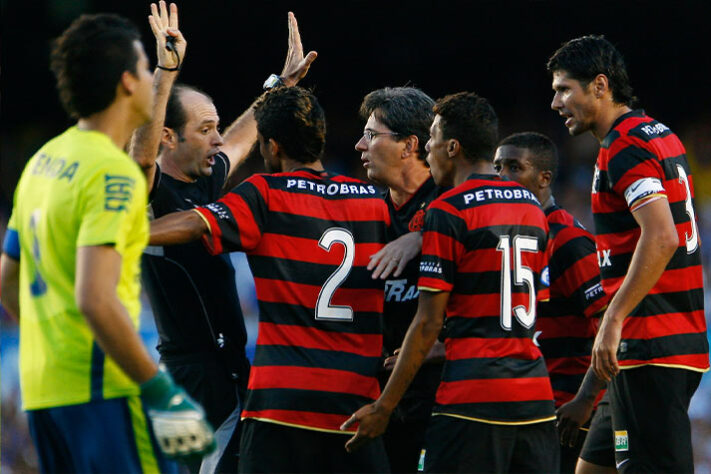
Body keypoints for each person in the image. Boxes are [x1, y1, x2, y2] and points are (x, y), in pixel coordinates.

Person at [0, 11, 214, 473]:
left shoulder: (42, 161)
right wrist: (163, 393)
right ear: (126, 83)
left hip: (44, 392)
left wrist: (54, 347)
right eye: (143, 69)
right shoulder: (110, 172)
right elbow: (95, 299)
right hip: (105, 388)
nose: (150, 79)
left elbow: (7, 280)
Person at [148, 86, 392, 473]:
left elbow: (196, 223)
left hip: (280, 402)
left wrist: (125, 232)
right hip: (355, 399)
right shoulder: (374, 201)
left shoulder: (265, 193)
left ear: (273, 147)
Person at [128, 4, 317, 471]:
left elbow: (239, 137)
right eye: (204, 129)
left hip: (228, 367)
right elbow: (140, 155)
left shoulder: (208, 180)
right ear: (169, 138)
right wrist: (166, 73)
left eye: (215, 127)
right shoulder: (149, 191)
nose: (217, 139)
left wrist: (281, 88)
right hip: (194, 377)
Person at [344, 91, 559, 473]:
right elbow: (532, 303)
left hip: (470, 396)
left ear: (452, 147)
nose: (429, 149)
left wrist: (384, 406)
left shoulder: (448, 209)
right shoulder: (531, 206)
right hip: (534, 398)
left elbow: (428, 323)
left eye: (433, 140)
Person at [548, 34, 709, 474]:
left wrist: (613, 320)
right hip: (655, 342)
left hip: (650, 345)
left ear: (600, 85)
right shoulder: (658, 134)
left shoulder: (624, 146)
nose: (555, 102)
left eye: (564, 89)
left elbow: (662, 237)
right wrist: (587, 394)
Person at [494, 132, 610, 473]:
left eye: (514, 167)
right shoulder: (506, 237)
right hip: (523, 402)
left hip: (566, 409)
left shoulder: (570, 242)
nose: (502, 176)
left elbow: (610, 324)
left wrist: (585, 400)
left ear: (544, 178)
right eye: (498, 166)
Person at [354, 86, 445, 473]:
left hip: (441, 398)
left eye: (372, 135)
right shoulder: (364, 210)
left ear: (410, 145)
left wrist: (426, 235)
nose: (360, 145)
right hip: (379, 395)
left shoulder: (451, 203)